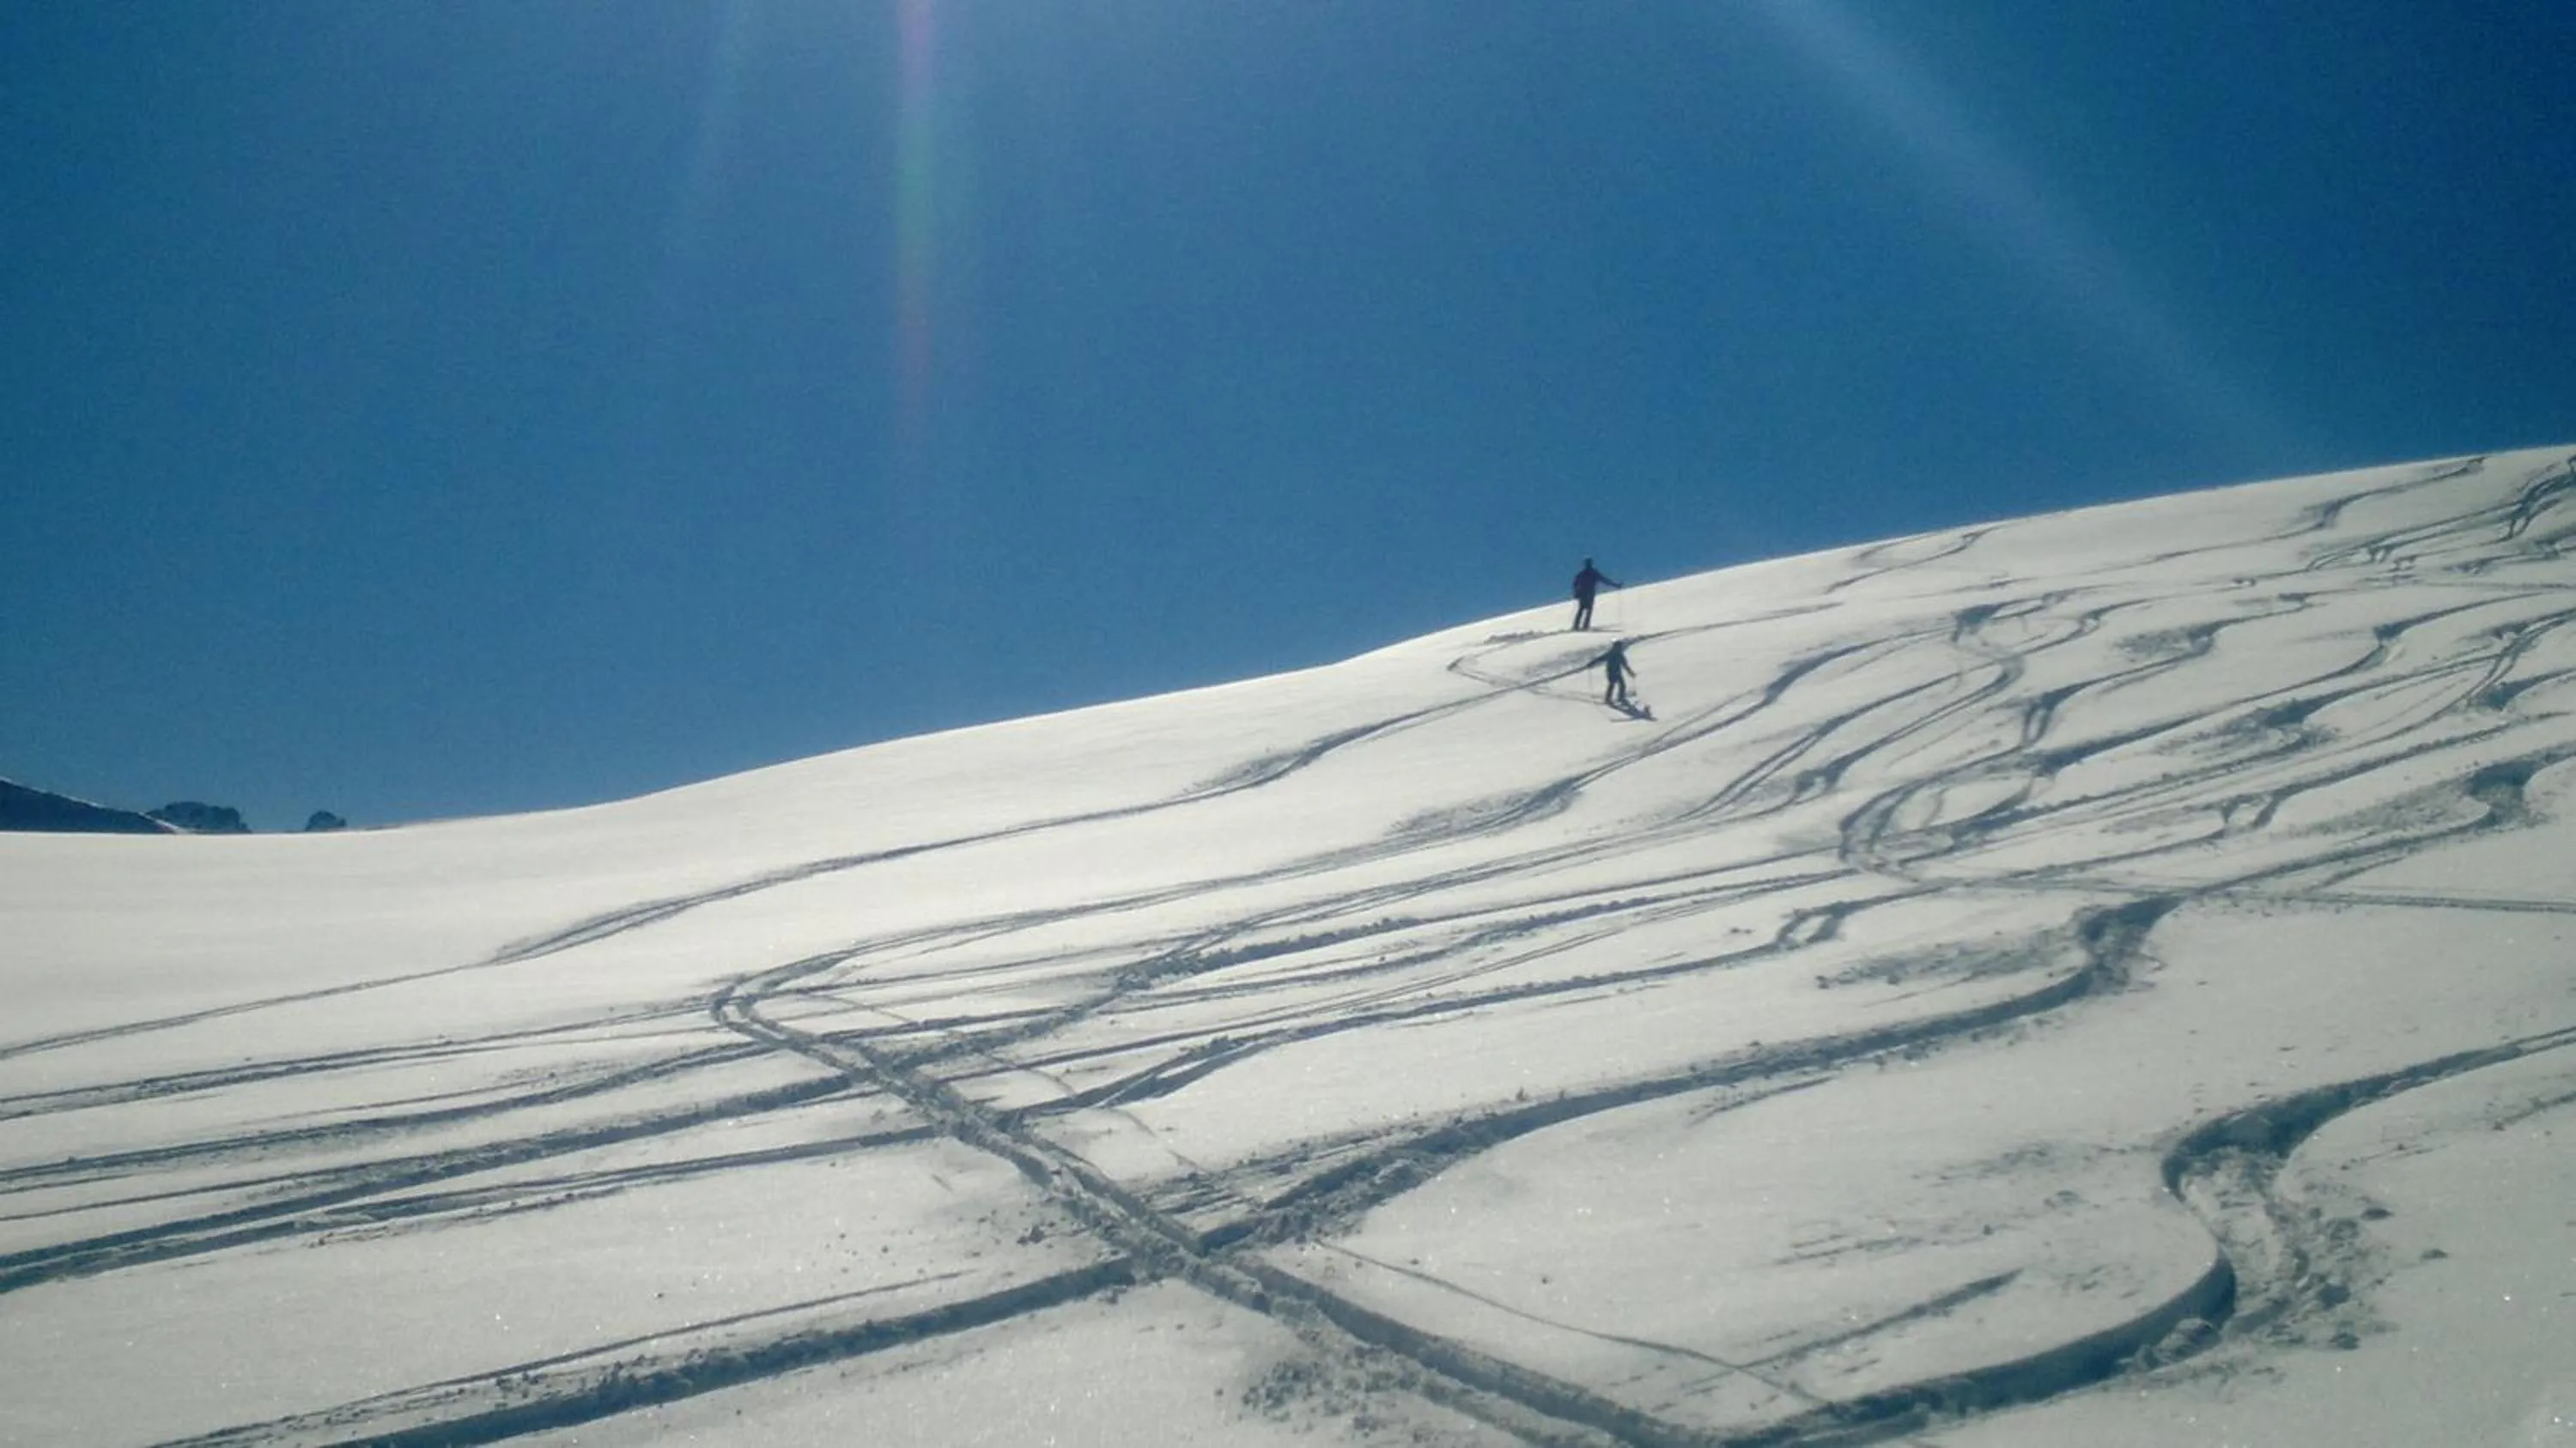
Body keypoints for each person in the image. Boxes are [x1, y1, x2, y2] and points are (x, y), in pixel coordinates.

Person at [1571, 557, 1621, 630]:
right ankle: (1584, 626)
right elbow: (1605, 580)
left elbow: (1575, 584)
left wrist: (1576, 592)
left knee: (1582, 609)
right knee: (1588, 609)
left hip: (1583, 593)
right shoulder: (1593, 572)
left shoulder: (1582, 573)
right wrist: (1616, 585)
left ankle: (1577, 626)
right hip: (1589, 593)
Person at [1596, 638, 1639, 710]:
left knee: (1622, 685)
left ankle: (1620, 697)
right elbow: (1600, 658)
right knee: (1612, 685)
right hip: (1611, 672)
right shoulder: (1611, 654)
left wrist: (1631, 673)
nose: (1620, 648)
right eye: (1619, 647)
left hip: (1617, 672)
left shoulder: (1619, 655)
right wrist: (1591, 664)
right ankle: (1608, 699)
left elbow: (1625, 665)